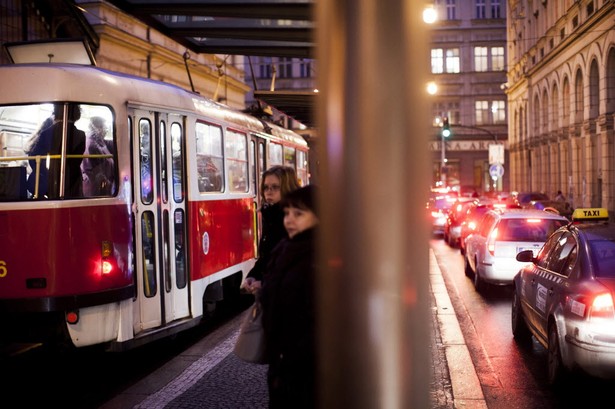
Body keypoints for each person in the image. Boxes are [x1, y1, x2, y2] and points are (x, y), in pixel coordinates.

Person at [260, 185, 319, 409]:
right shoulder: (286, 248)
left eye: (299, 214)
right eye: (287, 213)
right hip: (283, 364)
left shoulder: (321, 256)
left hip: (308, 370)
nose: (289, 220)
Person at [243, 165, 301, 293]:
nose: (269, 191)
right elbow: (267, 257)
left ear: (287, 188)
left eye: (275, 187)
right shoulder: (269, 214)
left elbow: (293, 265)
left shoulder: (292, 219)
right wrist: (252, 276)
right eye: (266, 187)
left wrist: (264, 283)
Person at [26, 104, 86, 198]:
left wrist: (46, 174)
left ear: (56, 112)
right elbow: (76, 162)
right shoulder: (81, 135)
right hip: (72, 181)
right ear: (77, 115)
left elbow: (33, 157)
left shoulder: (46, 133)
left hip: (49, 183)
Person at [81, 116, 115, 196]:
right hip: (96, 189)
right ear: (98, 128)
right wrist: (108, 184)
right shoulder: (92, 145)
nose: (106, 130)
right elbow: (97, 172)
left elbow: (108, 144)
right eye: (104, 128)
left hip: (101, 187)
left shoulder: (98, 141)